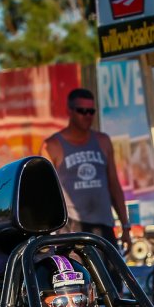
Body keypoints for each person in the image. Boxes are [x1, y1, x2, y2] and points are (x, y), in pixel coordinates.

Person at [41, 88, 130, 247]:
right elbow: (44, 193)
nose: (88, 116)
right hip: (72, 227)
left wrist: (125, 225)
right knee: (77, 272)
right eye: (82, 111)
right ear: (70, 111)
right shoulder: (53, 146)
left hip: (103, 224)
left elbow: (114, 185)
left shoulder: (103, 141)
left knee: (108, 271)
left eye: (91, 111)